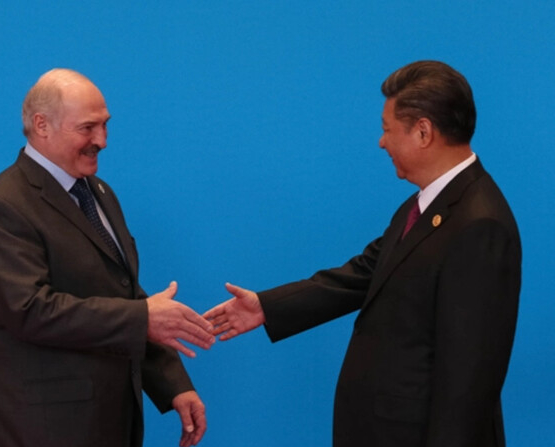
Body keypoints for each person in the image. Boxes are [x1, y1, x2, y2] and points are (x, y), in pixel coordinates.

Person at [204, 60, 521, 447]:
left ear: (423, 131)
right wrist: (267, 307)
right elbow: (364, 274)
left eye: (388, 130)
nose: (381, 142)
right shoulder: (421, 207)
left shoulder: (478, 224)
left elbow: (469, 382)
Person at [0, 68, 214, 447]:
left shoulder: (98, 192)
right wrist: (144, 317)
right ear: (42, 125)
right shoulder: (2, 204)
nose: (103, 140)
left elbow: (122, 294)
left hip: (107, 422)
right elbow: (30, 310)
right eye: (87, 128)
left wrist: (173, 385)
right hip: (39, 428)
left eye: (105, 125)